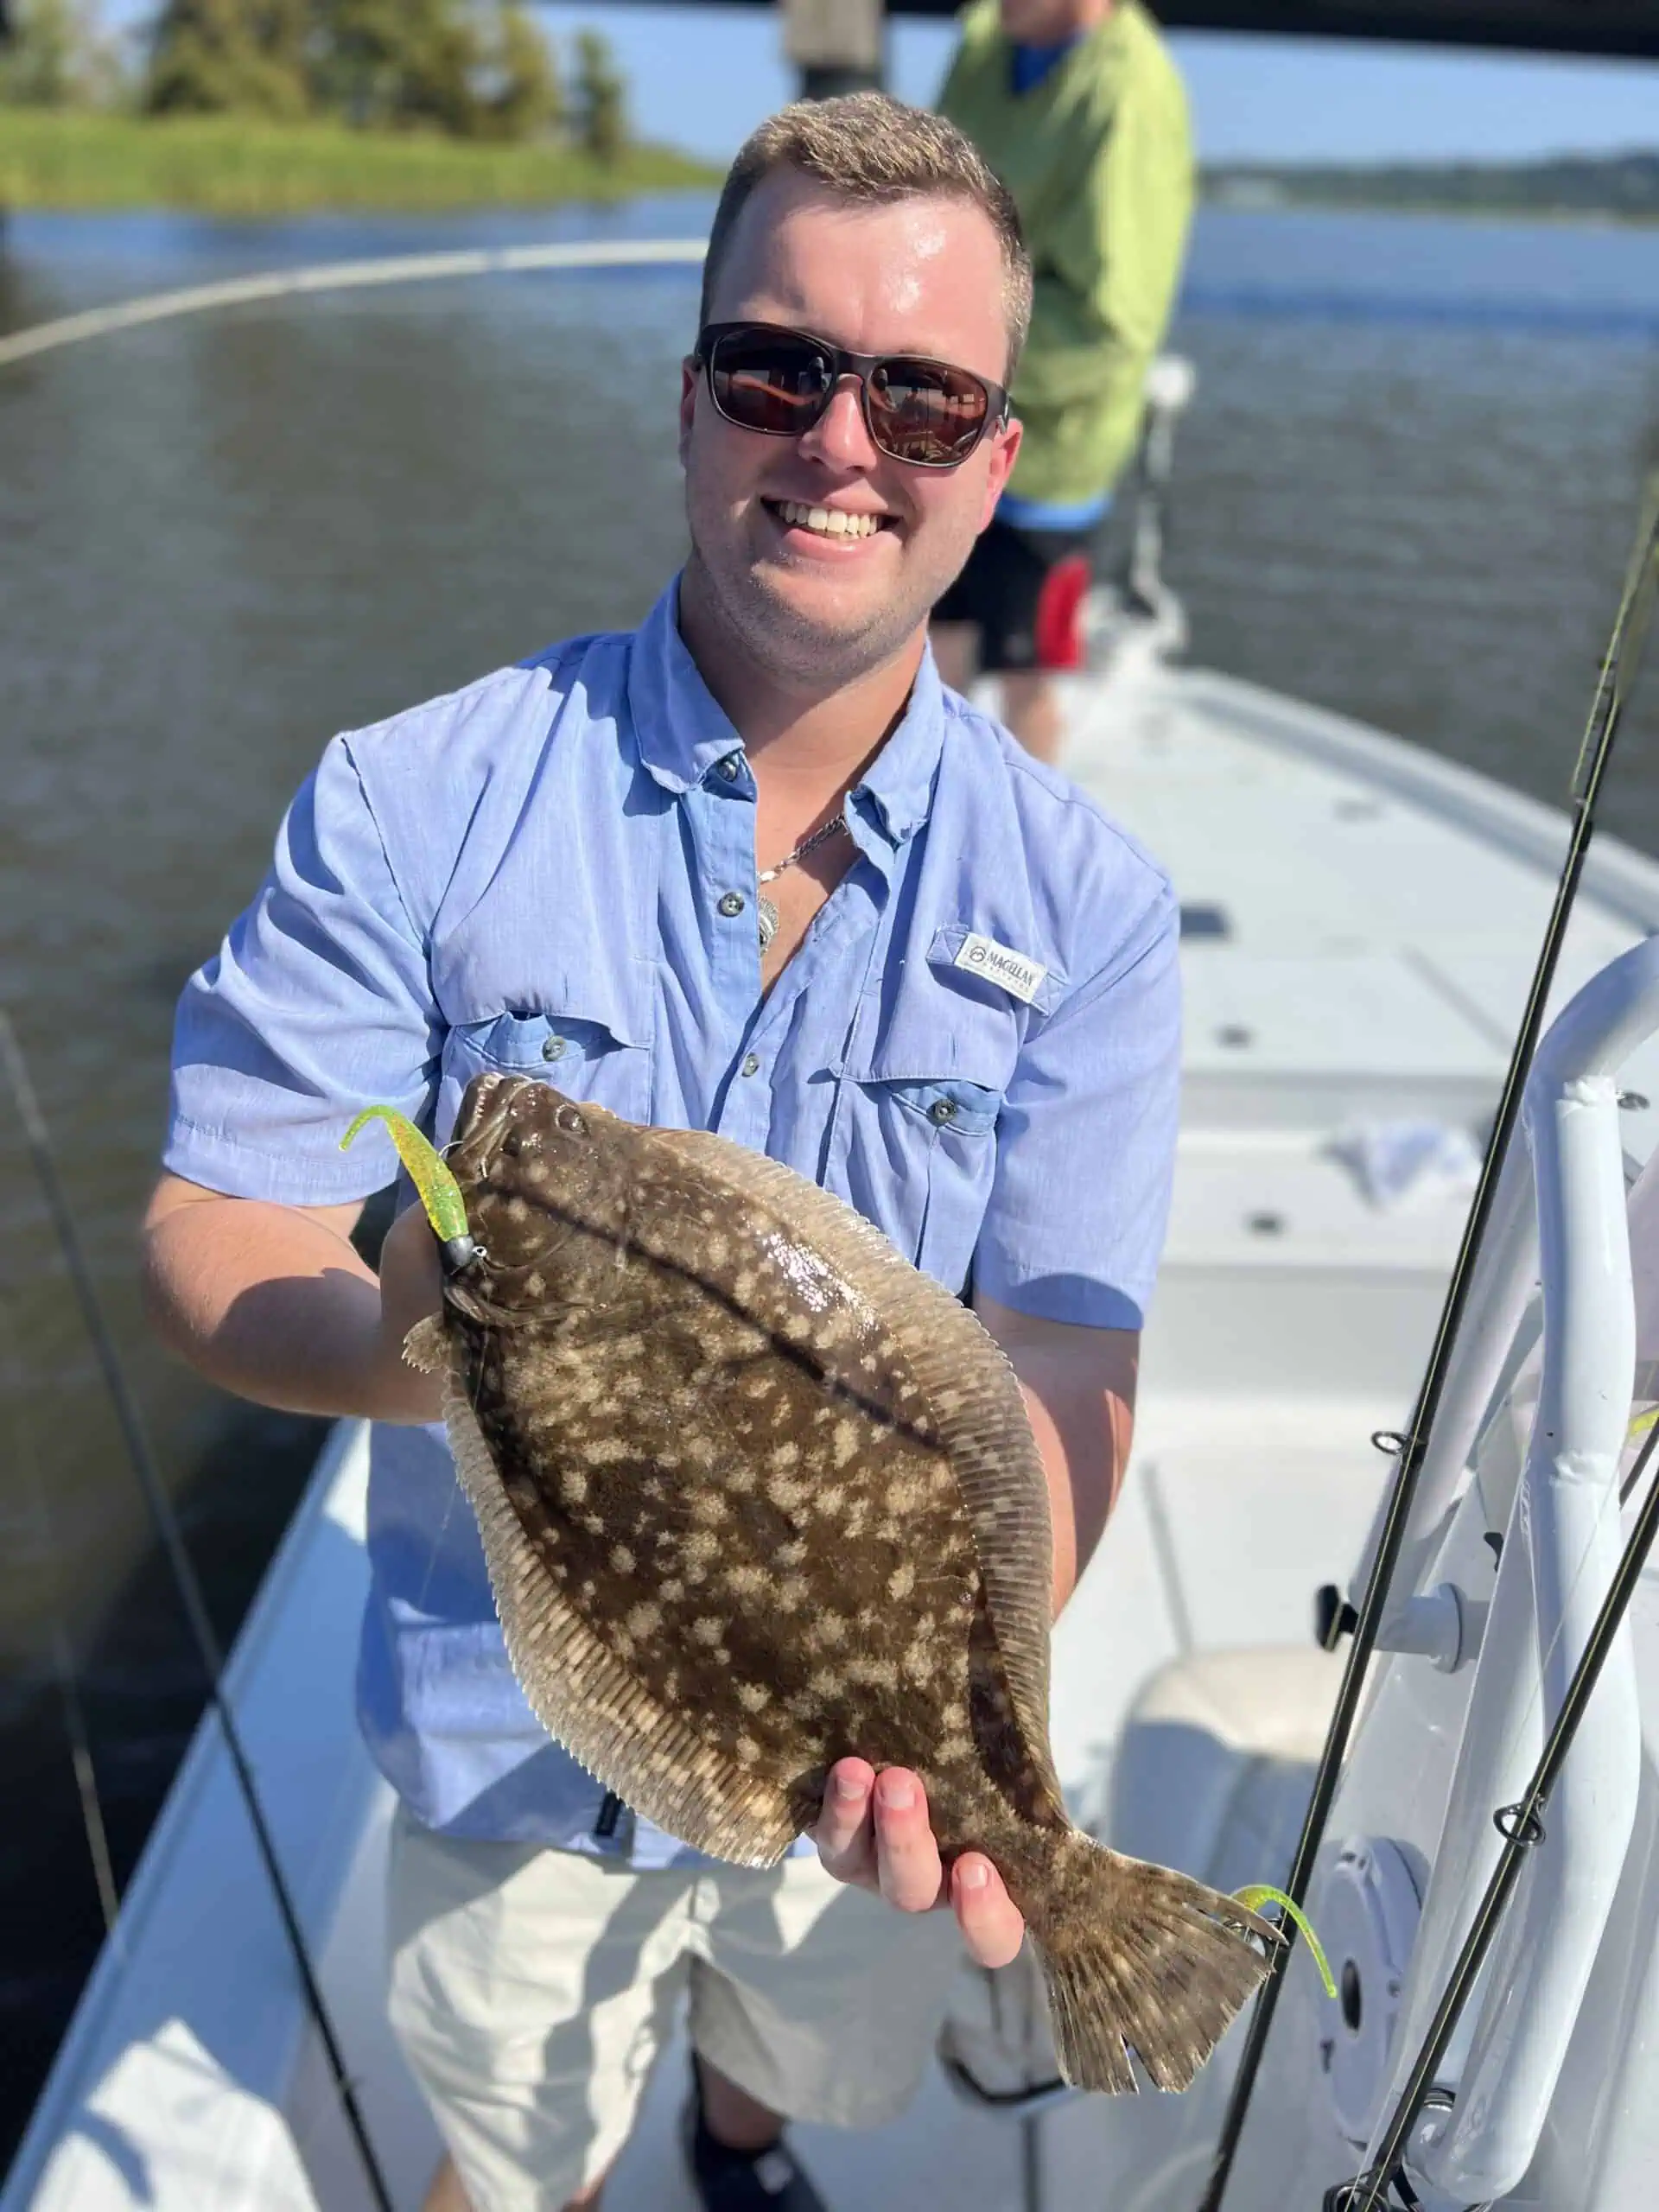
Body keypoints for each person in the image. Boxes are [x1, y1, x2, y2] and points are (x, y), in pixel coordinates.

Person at [141, 92, 1179, 2212]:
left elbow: (1060, 1363)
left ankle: (738, 2129)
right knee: (513, 2126)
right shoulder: (412, 798)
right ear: (692, 398)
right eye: (776, 367)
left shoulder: (1087, 906)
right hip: (497, 1737)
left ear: (994, 459)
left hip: (850, 1784)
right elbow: (215, 1218)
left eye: (920, 393)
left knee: (799, 2042)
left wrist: (946, 1707)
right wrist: (411, 1338)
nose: (838, 439)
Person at [934, 0, 1194, 763]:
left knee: (1027, 675)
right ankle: (920, 821)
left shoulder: (1130, 96)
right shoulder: (986, 37)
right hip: (945, 417)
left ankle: (1023, 854)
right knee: (930, 633)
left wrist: (954, 357)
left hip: (1051, 457)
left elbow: (1113, 327)